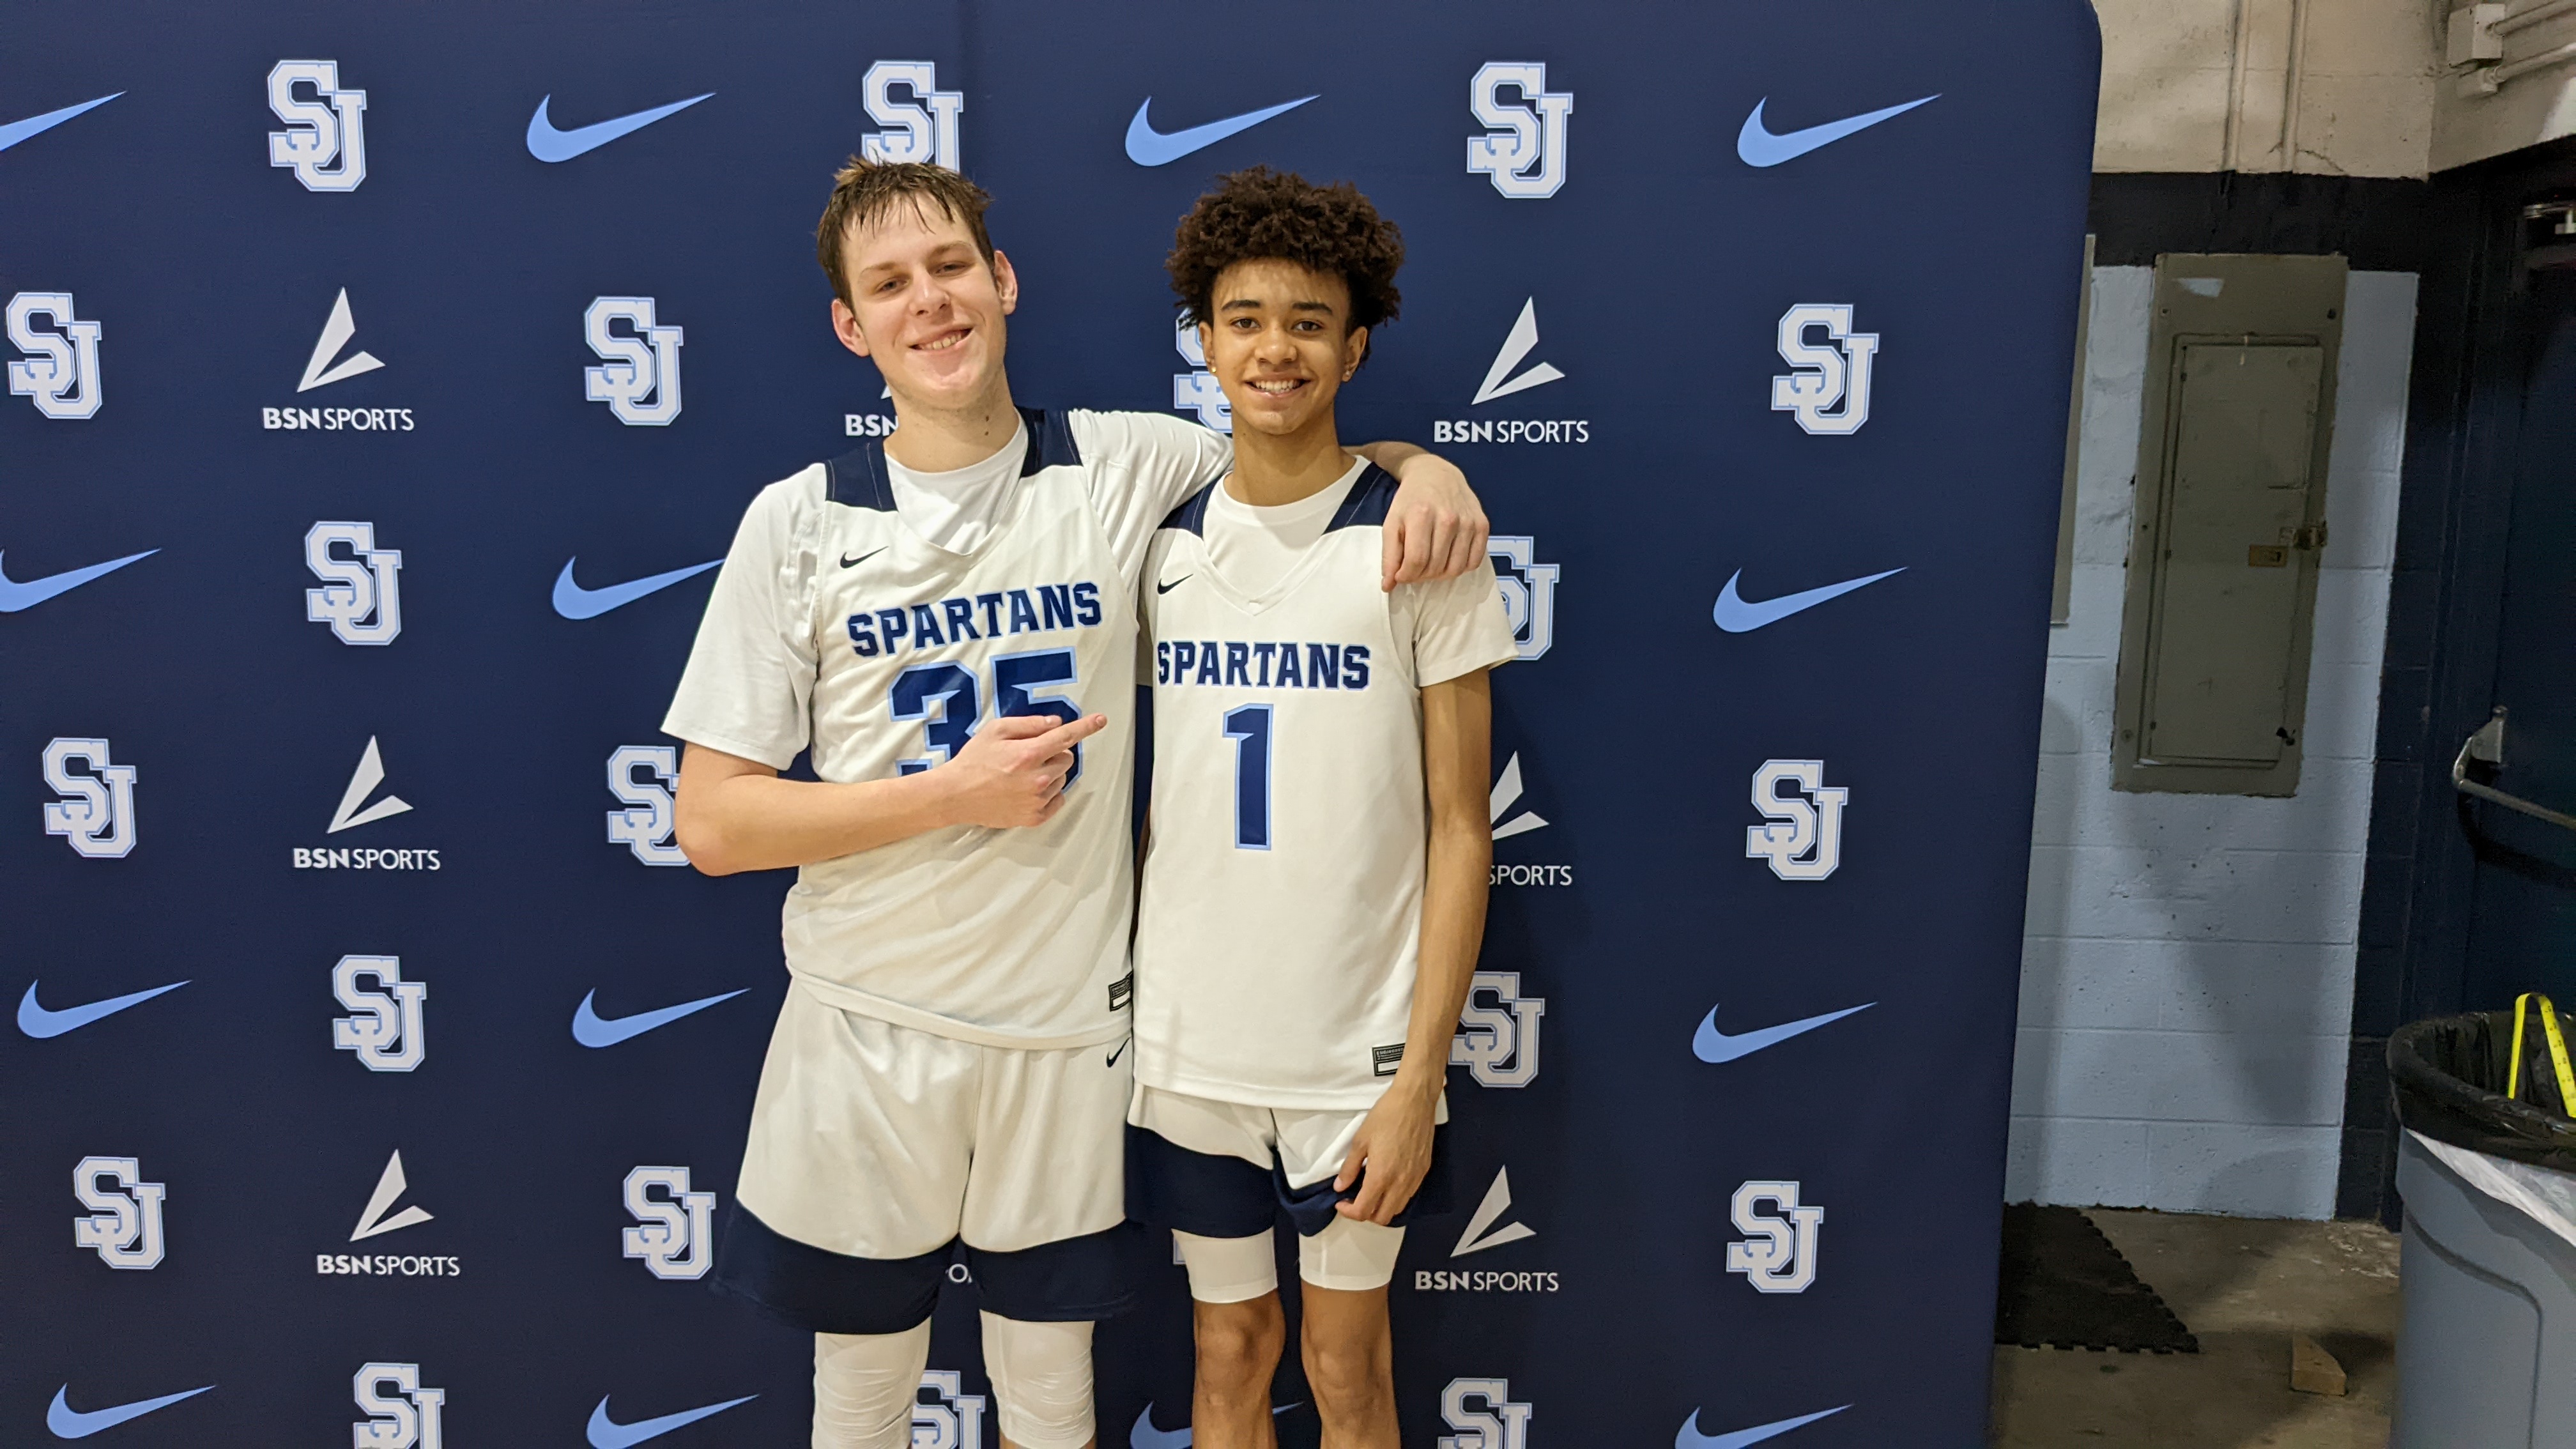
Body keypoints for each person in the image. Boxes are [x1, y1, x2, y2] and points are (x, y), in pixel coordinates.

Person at [660, 157, 1490, 1449]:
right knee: (863, 1394)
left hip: (1066, 1037)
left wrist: (1424, 467)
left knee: (1054, 1398)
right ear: (851, 325)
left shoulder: (1125, 463)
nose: (930, 302)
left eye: (950, 267)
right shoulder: (799, 521)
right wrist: (950, 795)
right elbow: (713, 826)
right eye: (890, 284)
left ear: (1001, 281)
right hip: (866, 1026)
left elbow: (1289, 445)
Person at [1125, 169, 1514, 1449]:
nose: (1274, 349)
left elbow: (1463, 828)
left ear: (1355, 348)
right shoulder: (1156, 542)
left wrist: (1418, 1081)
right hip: (1190, 1050)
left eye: (1308, 322)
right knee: (1228, 1352)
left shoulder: (1419, 542)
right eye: (1244, 320)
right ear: (1205, 340)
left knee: (1348, 1369)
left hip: (1356, 1060)